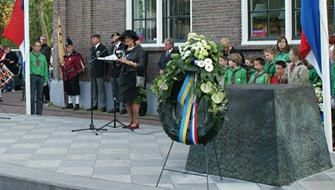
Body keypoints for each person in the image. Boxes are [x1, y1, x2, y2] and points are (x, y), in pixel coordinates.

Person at [117, 30, 146, 129]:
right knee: (126, 100)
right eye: (125, 39)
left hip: (133, 76)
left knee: (134, 100)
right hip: (124, 76)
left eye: (128, 38)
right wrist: (116, 61)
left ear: (133, 39)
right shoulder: (124, 50)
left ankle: (136, 121)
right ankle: (130, 120)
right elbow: (120, 63)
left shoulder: (139, 49)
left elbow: (141, 65)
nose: (127, 40)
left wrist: (128, 62)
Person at [87, 34, 108, 112]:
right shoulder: (92, 48)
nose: (92, 40)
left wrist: (104, 70)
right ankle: (94, 105)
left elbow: (106, 60)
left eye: (93, 39)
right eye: (92, 39)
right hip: (93, 72)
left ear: (98, 39)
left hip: (100, 71)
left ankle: (103, 106)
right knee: (93, 89)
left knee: (101, 89)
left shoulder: (103, 48)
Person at [63, 37, 84, 110]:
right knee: (68, 89)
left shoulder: (76, 55)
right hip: (66, 75)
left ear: (72, 46)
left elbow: (80, 66)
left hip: (73, 74)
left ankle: (77, 104)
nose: (67, 48)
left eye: (69, 47)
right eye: (66, 47)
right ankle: (70, 103)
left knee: (75, 89)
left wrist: (76, 72)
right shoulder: (65, 55)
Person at [108, 32, 127, 114]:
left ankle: (123, 107)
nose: (114, 38)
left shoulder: (123, 46)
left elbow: (124, 57)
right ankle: (116, 106)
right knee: (114, 90)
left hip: (120, 71)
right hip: (113, 71)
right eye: (113, 37)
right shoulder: (112, 48)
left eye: (116, 36)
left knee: (121, 89)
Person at [30, 40, 48, 115]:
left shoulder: (43, 57)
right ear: (33, 47)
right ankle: (31, 112)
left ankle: (39, 112)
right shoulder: (29, 56)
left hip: (41, 77)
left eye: (39, 46)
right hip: (33, 77)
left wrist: (46, 80)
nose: (38, 48)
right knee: (32, 96)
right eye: (36, 46)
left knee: (40, 96)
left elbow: (45, 68)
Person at [39, 35, 52, 103]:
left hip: (44, 67)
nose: (43, 40)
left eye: (44, 39)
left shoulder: (47, 48)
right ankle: (40, 97)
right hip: (37, 68)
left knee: (45, 83)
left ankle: (47, 98)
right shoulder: (38, 47)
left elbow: (46, 57)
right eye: (42, 39)